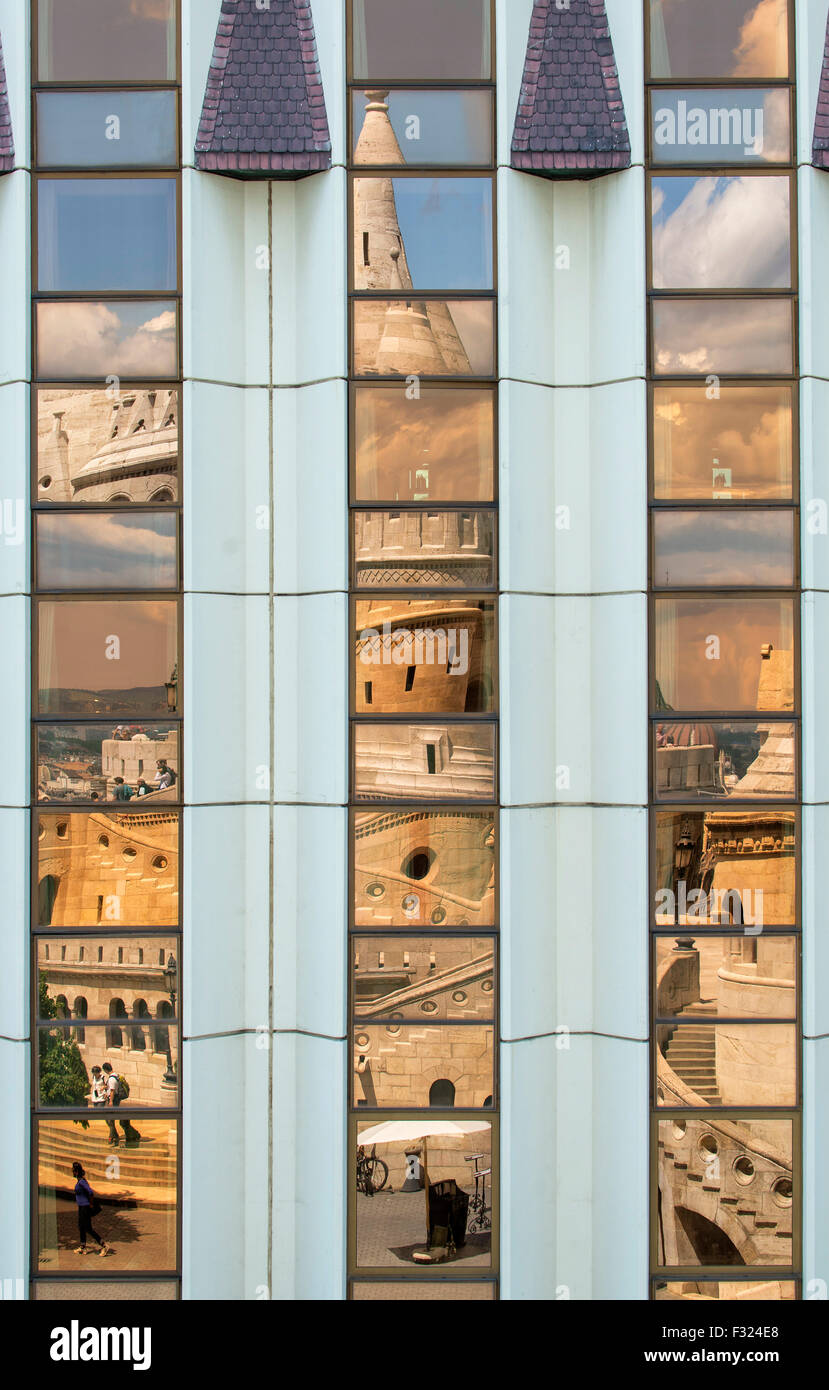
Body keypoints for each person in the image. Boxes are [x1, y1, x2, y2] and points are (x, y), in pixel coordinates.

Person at [72, 1162, 110, 1257]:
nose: (72, 1171)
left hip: (85, 1208)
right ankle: (83, 1247)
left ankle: (104, 1246)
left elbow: (90, 1192)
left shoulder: (81, 1182)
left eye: (73, 1170)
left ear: (76, 1171)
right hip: (81, 1207)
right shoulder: (80, 1180)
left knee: (88, 1229)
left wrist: (91, 1204)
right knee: (81, 1227)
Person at [103, 1062, 140, 1146]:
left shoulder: (112, 1079)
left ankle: (112, 1137)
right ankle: (115, 1136)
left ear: (105, 1070)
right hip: (115, 1100)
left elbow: (112, 1091)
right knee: (112, 1120)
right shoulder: (116, 1075)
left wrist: (111, 1101)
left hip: (113, 1101)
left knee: (110, 1120)